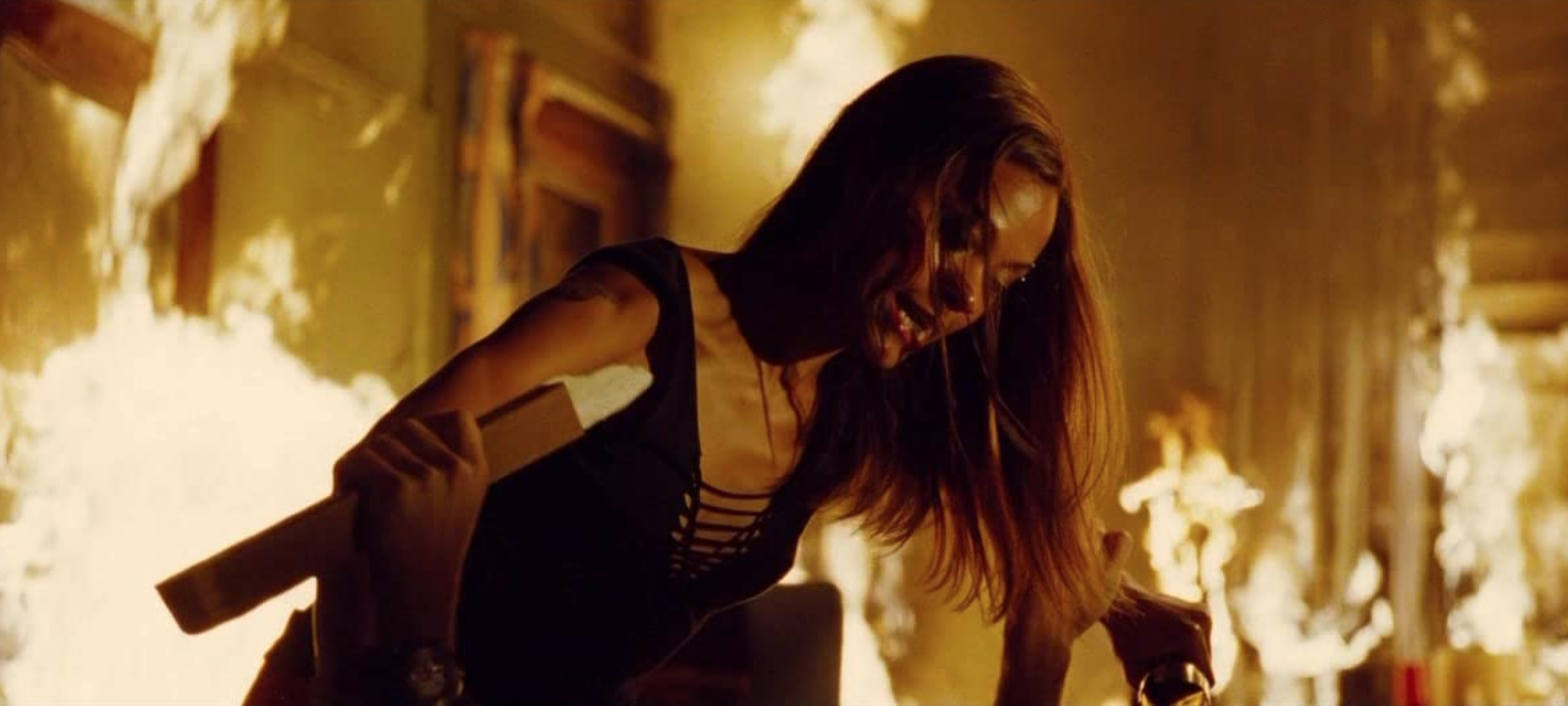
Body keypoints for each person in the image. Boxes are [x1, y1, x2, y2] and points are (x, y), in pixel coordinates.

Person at [242, 54, 1211, 705]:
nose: (965, 292)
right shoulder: (637, 315)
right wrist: (382, 679)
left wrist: (1133, 611)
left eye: (1001, 280)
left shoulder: (851, 400)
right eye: (957, 231)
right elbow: (375, 483)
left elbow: (1028, 529)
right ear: (876, 169)